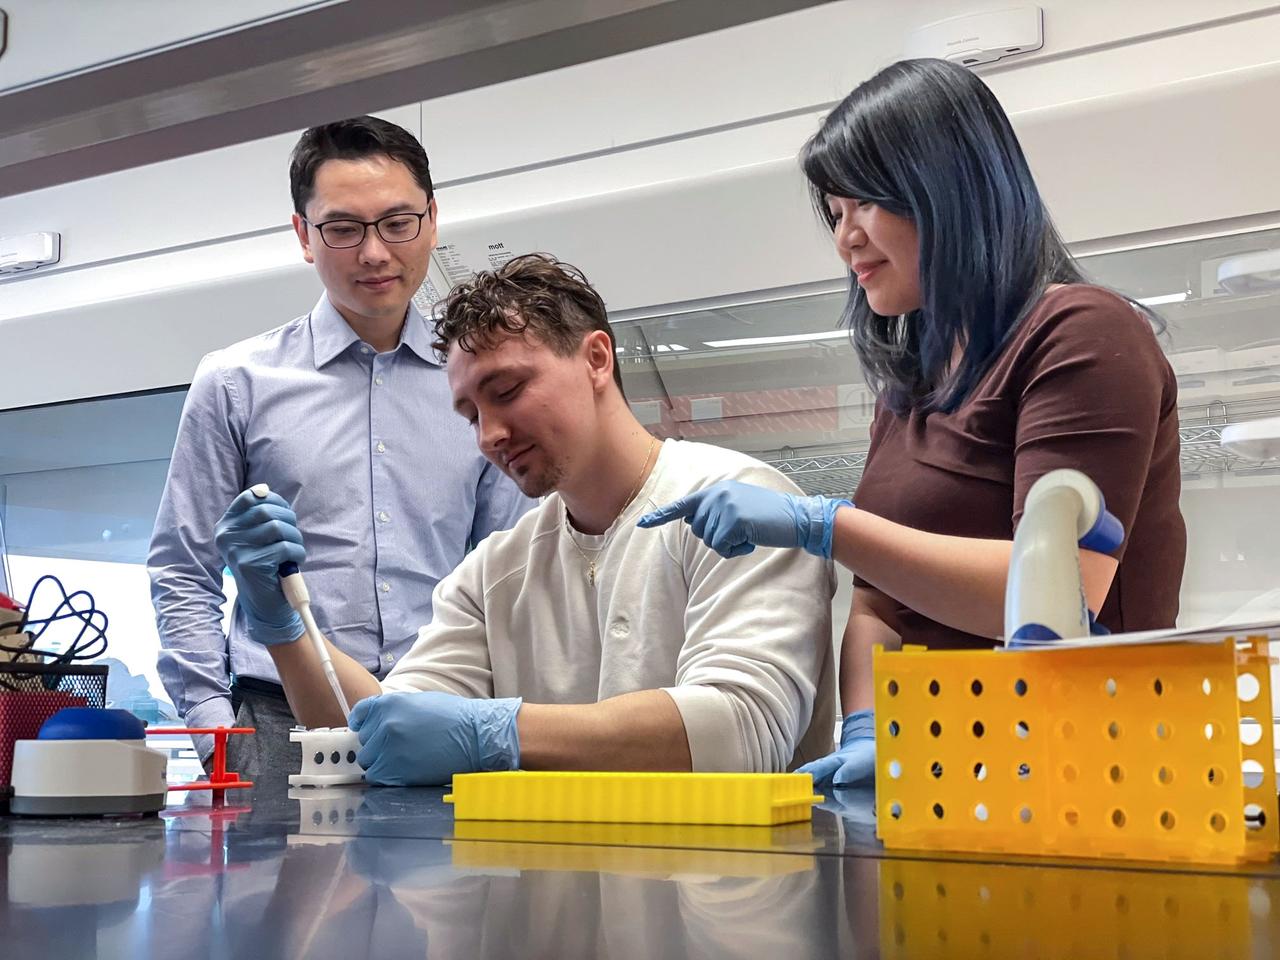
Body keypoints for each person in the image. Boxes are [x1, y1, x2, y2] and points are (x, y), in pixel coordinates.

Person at [640, 58, 1186, 789]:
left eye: (864, 202)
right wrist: (871, 727)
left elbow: (1057, 596)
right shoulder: (912, 385)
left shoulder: (1081, 332)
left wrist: (824, 526)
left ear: (949, 188)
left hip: (1090, 773)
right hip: (950, 778)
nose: (846, 238)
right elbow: (877, 601)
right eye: (835, 213)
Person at [214, 253, 836, 783]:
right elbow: (377, 732)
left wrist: (500, 732)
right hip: (559, 888)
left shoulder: (741, 505)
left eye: (507, 392)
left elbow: (744, 732)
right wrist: (284, 626)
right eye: (470, 415)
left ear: (597, 359)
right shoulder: (496, 570)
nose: (489, 435)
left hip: (734, 883)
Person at [148, 116, 534, 780]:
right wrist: (216, 728)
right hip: (275, 722)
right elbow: (183, 568)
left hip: (440, 711)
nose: (375, 253)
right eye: (344, 229)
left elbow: (511, 571)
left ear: (432, 220)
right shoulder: (237, 382)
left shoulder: (479, 381)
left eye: (398, 223)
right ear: (304, 235)